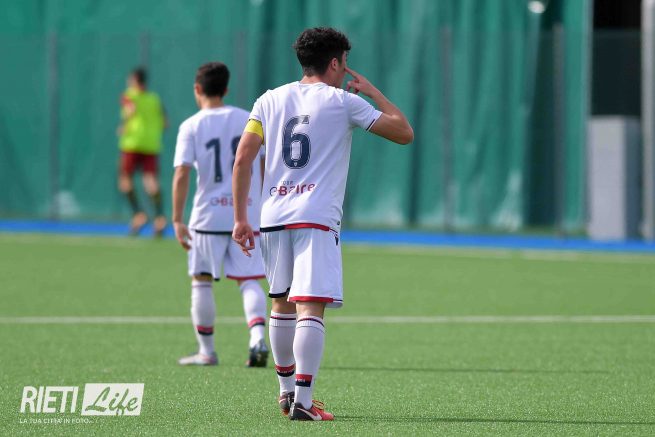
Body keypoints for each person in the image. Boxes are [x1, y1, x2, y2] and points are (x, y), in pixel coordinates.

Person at [232, 27, 413, 420]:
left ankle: (286, 393)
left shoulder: (269, 99)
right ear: (334, 63)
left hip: (273, 215)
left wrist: (240, 218)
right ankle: (304, 401)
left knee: (281, 303)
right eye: (345, 64)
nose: (346, 71)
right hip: (315, 217)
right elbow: (403, 132)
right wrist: (374, 92)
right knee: (310, 307)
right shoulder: (344, 102)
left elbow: (243, 156)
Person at [172, 62, 269, 367]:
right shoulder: (248, 118)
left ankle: (207, 351)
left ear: (197, 89)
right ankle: (257, 339)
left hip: (208, 217)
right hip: (247, 213)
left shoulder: (191, 125)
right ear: (226, 89)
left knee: (201, 281)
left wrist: (177, 219)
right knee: (249, 280)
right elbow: (262, 164)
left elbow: (182, 173)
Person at [118, 67, 167, 236]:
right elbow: (165, 122)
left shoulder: (129, 95)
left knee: (125, 180)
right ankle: (160, 218)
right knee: (151, 181)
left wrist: (124, 126)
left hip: (132, 143)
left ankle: (138, 214)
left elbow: (129, 111)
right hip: (151, 144)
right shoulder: (154, 98)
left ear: (133, 80)